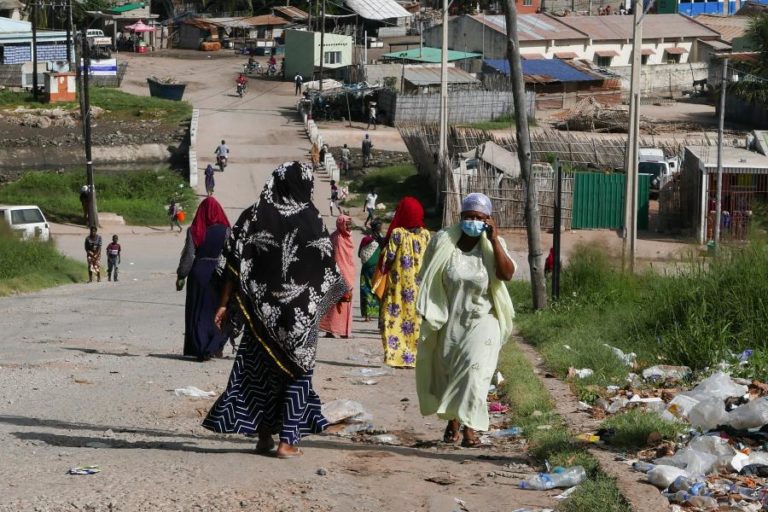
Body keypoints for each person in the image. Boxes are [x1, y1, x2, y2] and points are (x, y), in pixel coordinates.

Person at [203, 161, 349, 459]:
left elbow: (233, 263)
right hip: (300, 320)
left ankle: (263, 437)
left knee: (261, 373)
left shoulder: (253, 215)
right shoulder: (313, 219)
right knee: (297, 373)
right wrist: (339, 295)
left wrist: (222, 304)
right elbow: (325, 268)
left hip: (261, 317)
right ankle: (288, 441)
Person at [415, 193, 516, 448]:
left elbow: (506, 274)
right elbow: (426, 277)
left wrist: (493, 240)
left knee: (475, 372)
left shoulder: (493, 245)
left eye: (479, 218)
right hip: (451, 319)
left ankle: (471, 429)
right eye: (468, 216)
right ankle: (453, 421)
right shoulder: (442, 242)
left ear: (488, 220)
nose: (472, 221)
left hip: (484, 319)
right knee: (451, 374)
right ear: (460, 217)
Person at [176, 197, 231, 362]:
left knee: (197, 311)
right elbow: (230, 254)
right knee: (216, 310)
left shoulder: (195, 230)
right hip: (218, 274)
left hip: (198, 273)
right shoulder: (226, 231)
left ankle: (199, 347)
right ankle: (215, 346)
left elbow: (189, 255)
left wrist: (181, 275)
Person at [378, 197, 431, 368]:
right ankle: (415, 358)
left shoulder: (397, 234)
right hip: (420, 289)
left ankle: (396, 357)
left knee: (394, 319)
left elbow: (388, 259)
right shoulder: (425, 235)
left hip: (398, 288)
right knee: (416, 322)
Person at [320, 215, 355, 338]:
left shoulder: (347, 237)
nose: (349, 227)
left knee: (343, 303)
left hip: (347, 273)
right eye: (347, 225)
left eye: (349, 225)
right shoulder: (338, 238)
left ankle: (343, 331)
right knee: (336, 303)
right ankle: (332, 330)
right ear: (341, 225)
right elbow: (336, 258)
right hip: (340, 273)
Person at [359, 219, 383, 322]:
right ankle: (376, 313)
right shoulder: (381, 239)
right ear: (379, 228)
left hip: (366, 267)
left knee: (365, 289)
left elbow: (359, 253)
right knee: (376, 289)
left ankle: (367, 315)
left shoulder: (365, 239)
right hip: (377, 267)